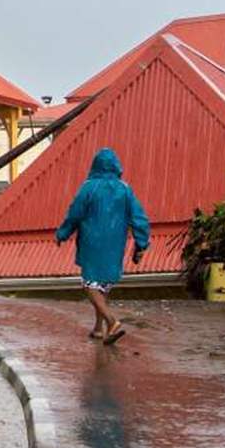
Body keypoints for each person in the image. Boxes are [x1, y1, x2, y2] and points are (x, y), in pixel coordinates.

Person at [55, 147, 150, 344]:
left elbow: (75, 214)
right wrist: (141, 243)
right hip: (116, 243)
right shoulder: (125, 189)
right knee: (103, 285)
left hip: (92, 241)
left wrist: (62, 234)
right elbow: (139, 218)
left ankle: (112, 321)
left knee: (90, 284)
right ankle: (98, 328)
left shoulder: (89, 187)